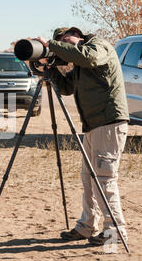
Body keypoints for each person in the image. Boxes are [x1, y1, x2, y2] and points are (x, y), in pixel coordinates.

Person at [35, 27, 130, 246]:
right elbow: (67, 88)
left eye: (65, 42)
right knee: (89, 178)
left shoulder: (98, 46)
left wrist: (52, 45)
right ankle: (87, 226)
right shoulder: (80, 64)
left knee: (104, 179)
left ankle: (115, 231)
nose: (64, 49)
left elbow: (90, 57)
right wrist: (49, 71)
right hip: (93, 125)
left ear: (76, 35)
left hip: (109, 123)